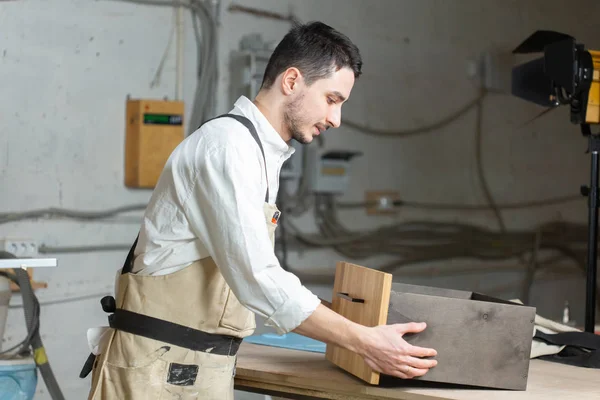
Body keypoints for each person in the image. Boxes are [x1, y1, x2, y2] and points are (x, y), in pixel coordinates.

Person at [82, 21, 438, 399]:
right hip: (155, 371)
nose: (336, 119)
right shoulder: (227, 149)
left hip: (193, 367)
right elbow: (257, 277)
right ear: (292, 81)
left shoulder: (259, 153)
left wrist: (346, 318)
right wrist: (363, 340)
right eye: (332, 100)